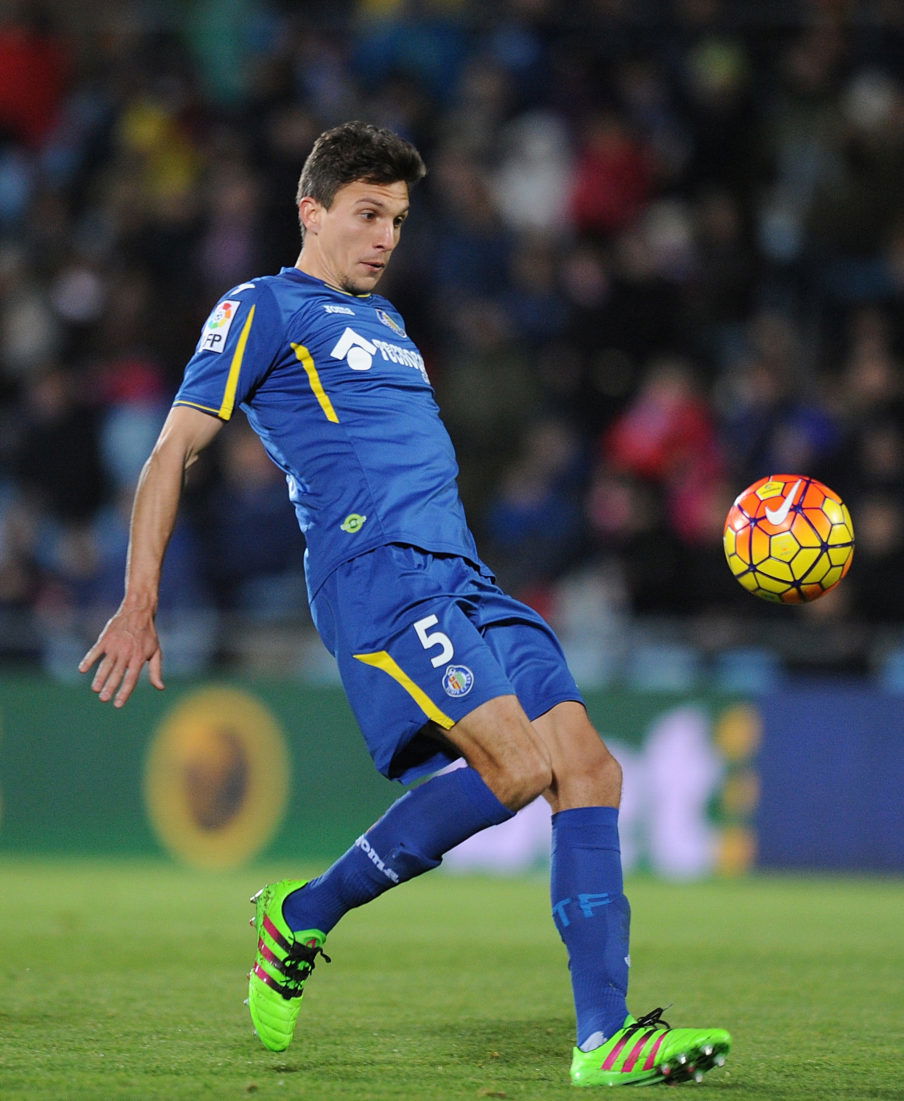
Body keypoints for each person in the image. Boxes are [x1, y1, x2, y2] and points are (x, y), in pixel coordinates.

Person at [79, 121, 731, 1088]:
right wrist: (140, 599)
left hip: (466, 575)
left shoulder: (387, 321)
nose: (386, 237)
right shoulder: (263, 306)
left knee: (590, 769)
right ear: (312, 211)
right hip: (379, 575)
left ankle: (603, 1037)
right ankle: (302, 914)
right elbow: (172, 450)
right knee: (517, 768)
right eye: (367, 214)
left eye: (398, 219)